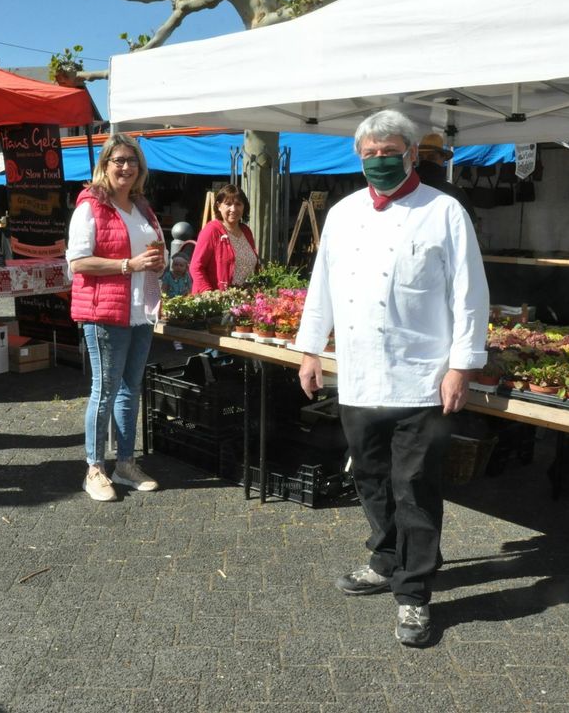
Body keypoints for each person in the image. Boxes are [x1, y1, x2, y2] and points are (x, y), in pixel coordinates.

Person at [297, 109, 489, 647]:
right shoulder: (342, 213)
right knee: (370, 477)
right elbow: (323, 285)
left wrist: (462, 364)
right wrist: (310, 349)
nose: (379, 161)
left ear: (412, 154)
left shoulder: (445, 211)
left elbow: (469, 293)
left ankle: (414, 593)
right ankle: (386, 558)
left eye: (389, 151)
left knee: (415, 487)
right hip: (358, 375)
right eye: (370, 153)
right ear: (359, 157)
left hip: (422, 377)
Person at [67, 133, 166, 502]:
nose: (126, 167)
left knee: (130, 389)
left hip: (141, 311)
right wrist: (129, 264)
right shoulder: (89, 207)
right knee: (105, 391)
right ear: (105, 165)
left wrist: (162, 259)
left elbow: (153, 250)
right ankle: (94, 468)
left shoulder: (142, 207)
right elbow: (77, 262)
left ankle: (124, 464)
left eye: (132, 161)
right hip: (104, 312)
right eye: (118, 160)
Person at [190, 184, 258, 292]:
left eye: (238, 204)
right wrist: (209, 295)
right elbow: (196, 267)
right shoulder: (211, 231)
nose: (233, 209)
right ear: (219, 206)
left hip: (245, 300)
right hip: (218, 302)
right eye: (228, 204)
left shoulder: (246, 231)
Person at [414, 132, 476, 223]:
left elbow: (469, 225)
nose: (425, 163)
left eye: (431, 158)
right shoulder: (410, 189)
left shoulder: (455, 194)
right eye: (421, 158)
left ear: (443, 158)